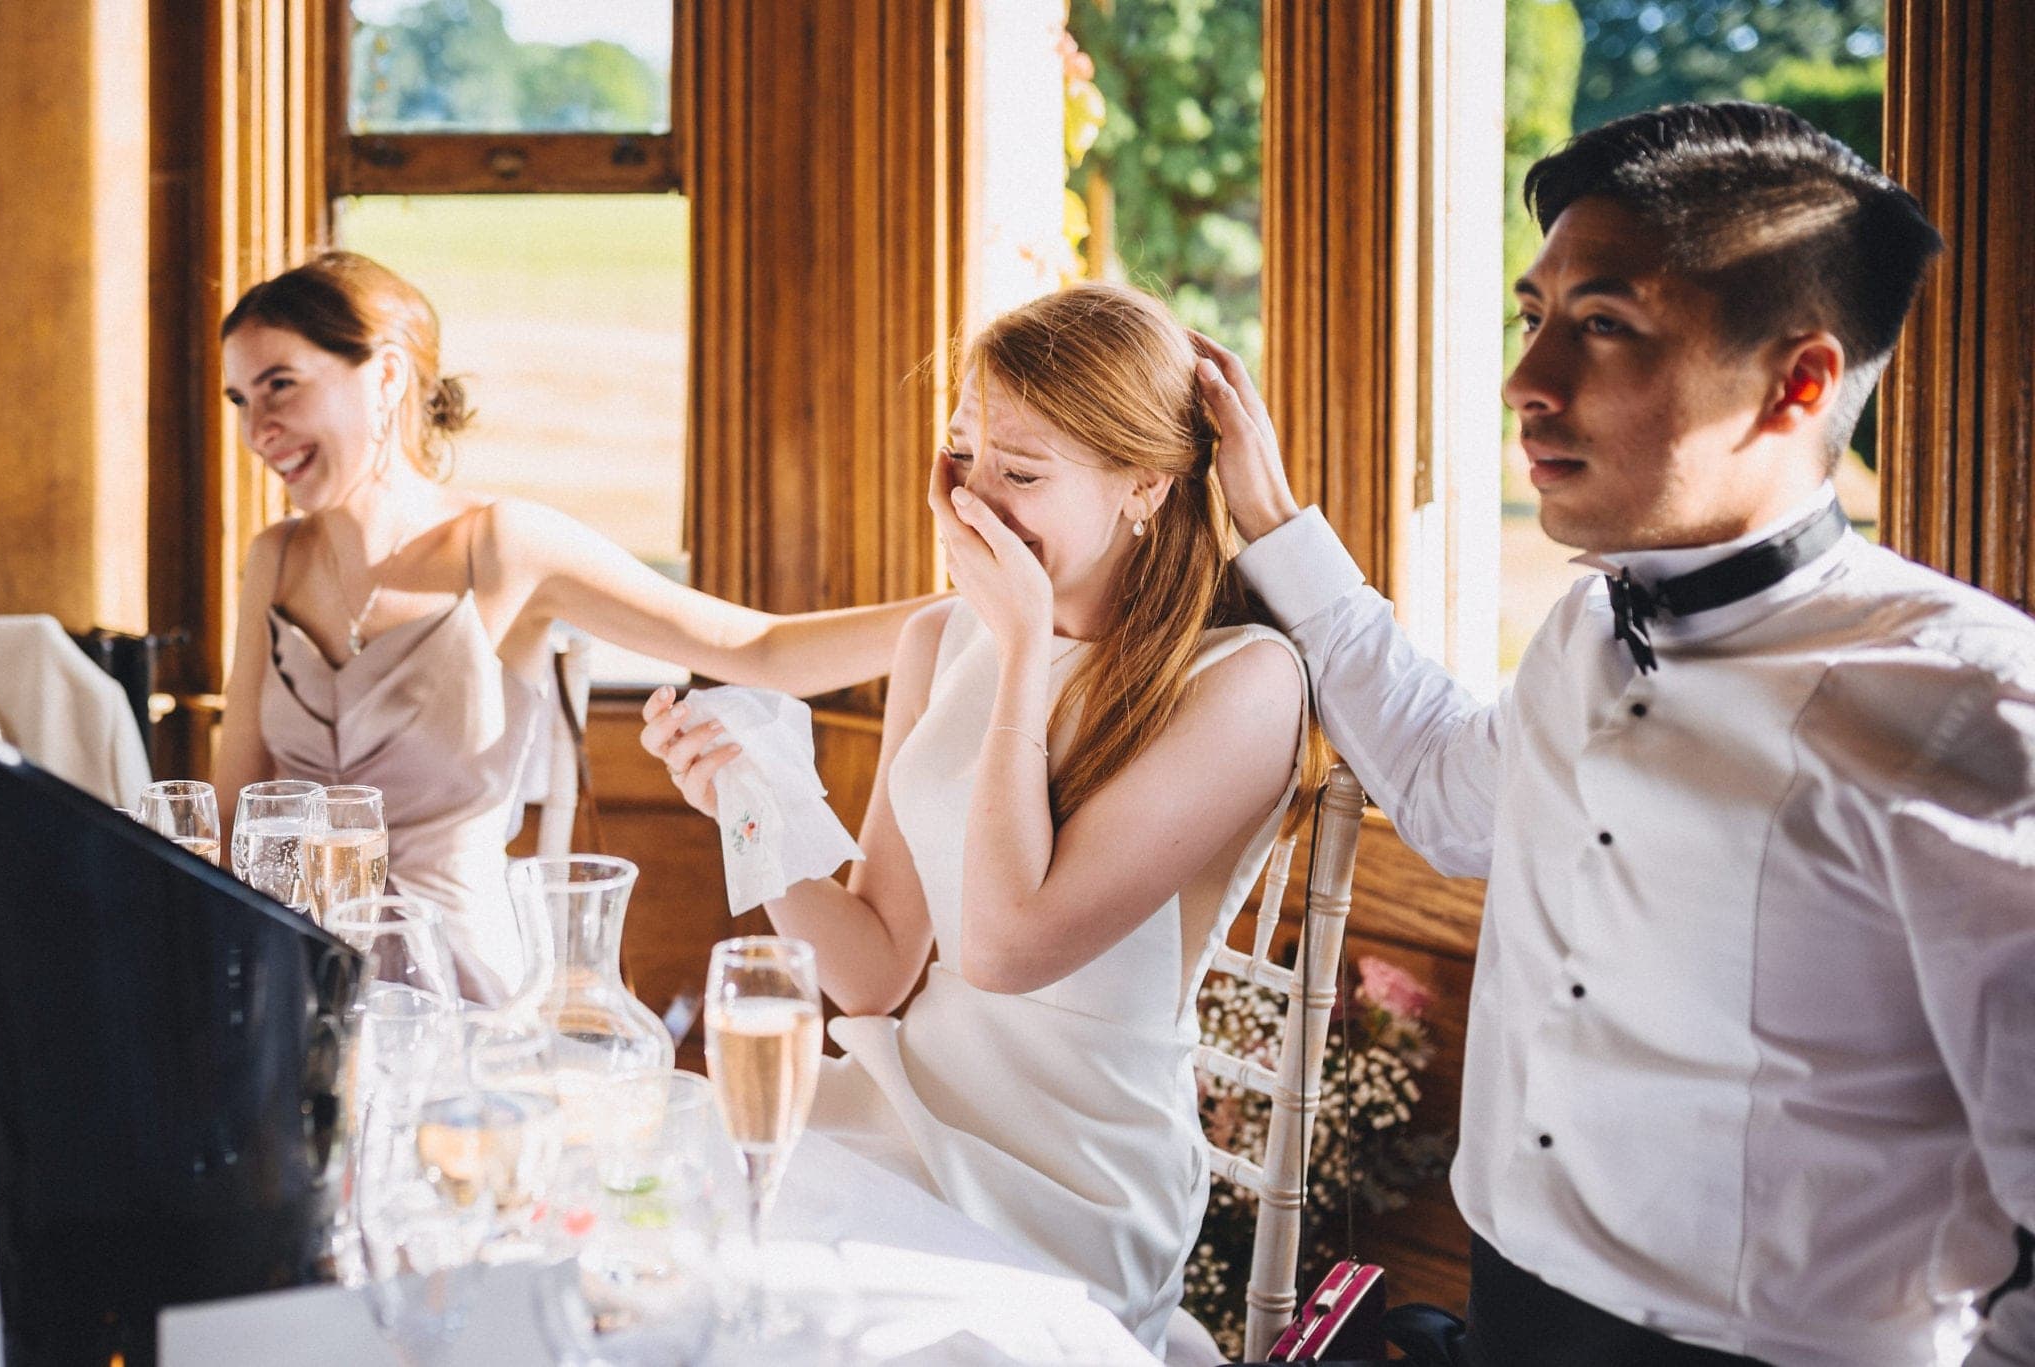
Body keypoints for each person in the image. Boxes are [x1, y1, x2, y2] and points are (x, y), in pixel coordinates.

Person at [1198, 102, 2035, 1366]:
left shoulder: (1963, 705)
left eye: (1602, 326)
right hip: (1503, 1309)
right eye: (1533, 318)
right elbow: (1443, 792)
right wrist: (1267, 520)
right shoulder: (1585, 625)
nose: (1526, 385)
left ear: (1794, 383)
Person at [643, 282, 1315, 1352]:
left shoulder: (1239, 683)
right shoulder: (937, 640)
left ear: (1142, 484)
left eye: (1021, 471)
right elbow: (869, 970)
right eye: (962, 452)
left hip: (1070, 1183)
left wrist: (1016, 653)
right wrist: (749, 806)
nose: (973, 499)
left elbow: (1004, 948)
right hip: (900, 1109)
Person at [213, 251, 938, 987]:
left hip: (461, 985)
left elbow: (763, 649)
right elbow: (234, 812)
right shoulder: (274, 559)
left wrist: (977, 604)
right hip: (291, 977)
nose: (257, 428)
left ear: (388, 376)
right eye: (240, 400)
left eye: (281, 385)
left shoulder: (502, 546)